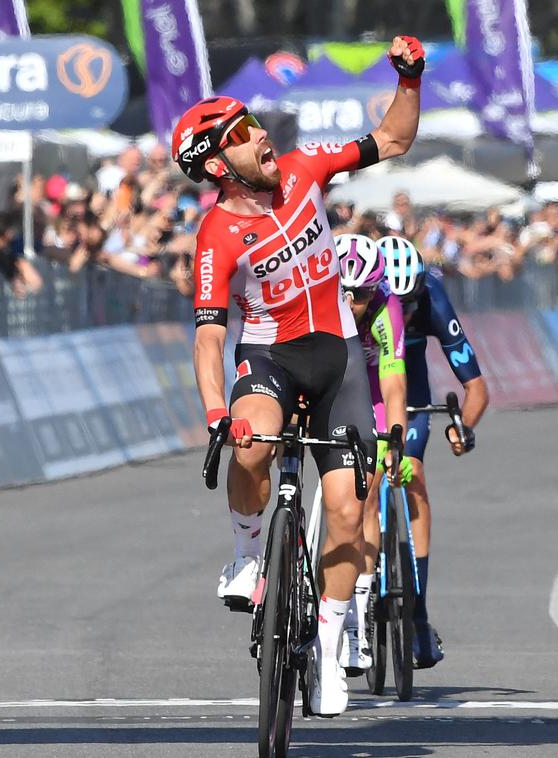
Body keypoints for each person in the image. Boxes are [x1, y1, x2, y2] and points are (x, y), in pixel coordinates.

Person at [178, 33, 424, 717]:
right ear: (217, 165)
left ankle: (331, 646)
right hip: (271, 360)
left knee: (348, 510)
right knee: (251, 441)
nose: (258, 134)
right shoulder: (217, 235)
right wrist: (212, 413)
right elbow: (208, 336)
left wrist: (410, 78)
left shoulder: (305, 168)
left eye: (252, 123)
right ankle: (247, 553)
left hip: (338, 357)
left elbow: (393, 141)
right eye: (239, 133)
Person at [381, 235, 488, 669]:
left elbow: (476, 388)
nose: (403, 314)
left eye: (411, 303)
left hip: (411, 395)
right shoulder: (353, 296)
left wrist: (464, 427)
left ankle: (418, 615)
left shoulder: (433, 299)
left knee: (412, 473)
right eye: (395, 303)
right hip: (365, 388)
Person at [333, 233, 411, 676]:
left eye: (360, 294)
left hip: (372, 390)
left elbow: (394, 380)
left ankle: (356, 619)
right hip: (333, 382)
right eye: (344, 291)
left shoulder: (386, 308)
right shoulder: (325, 298)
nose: (351, 301)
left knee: (365, 496)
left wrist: (394, 440)